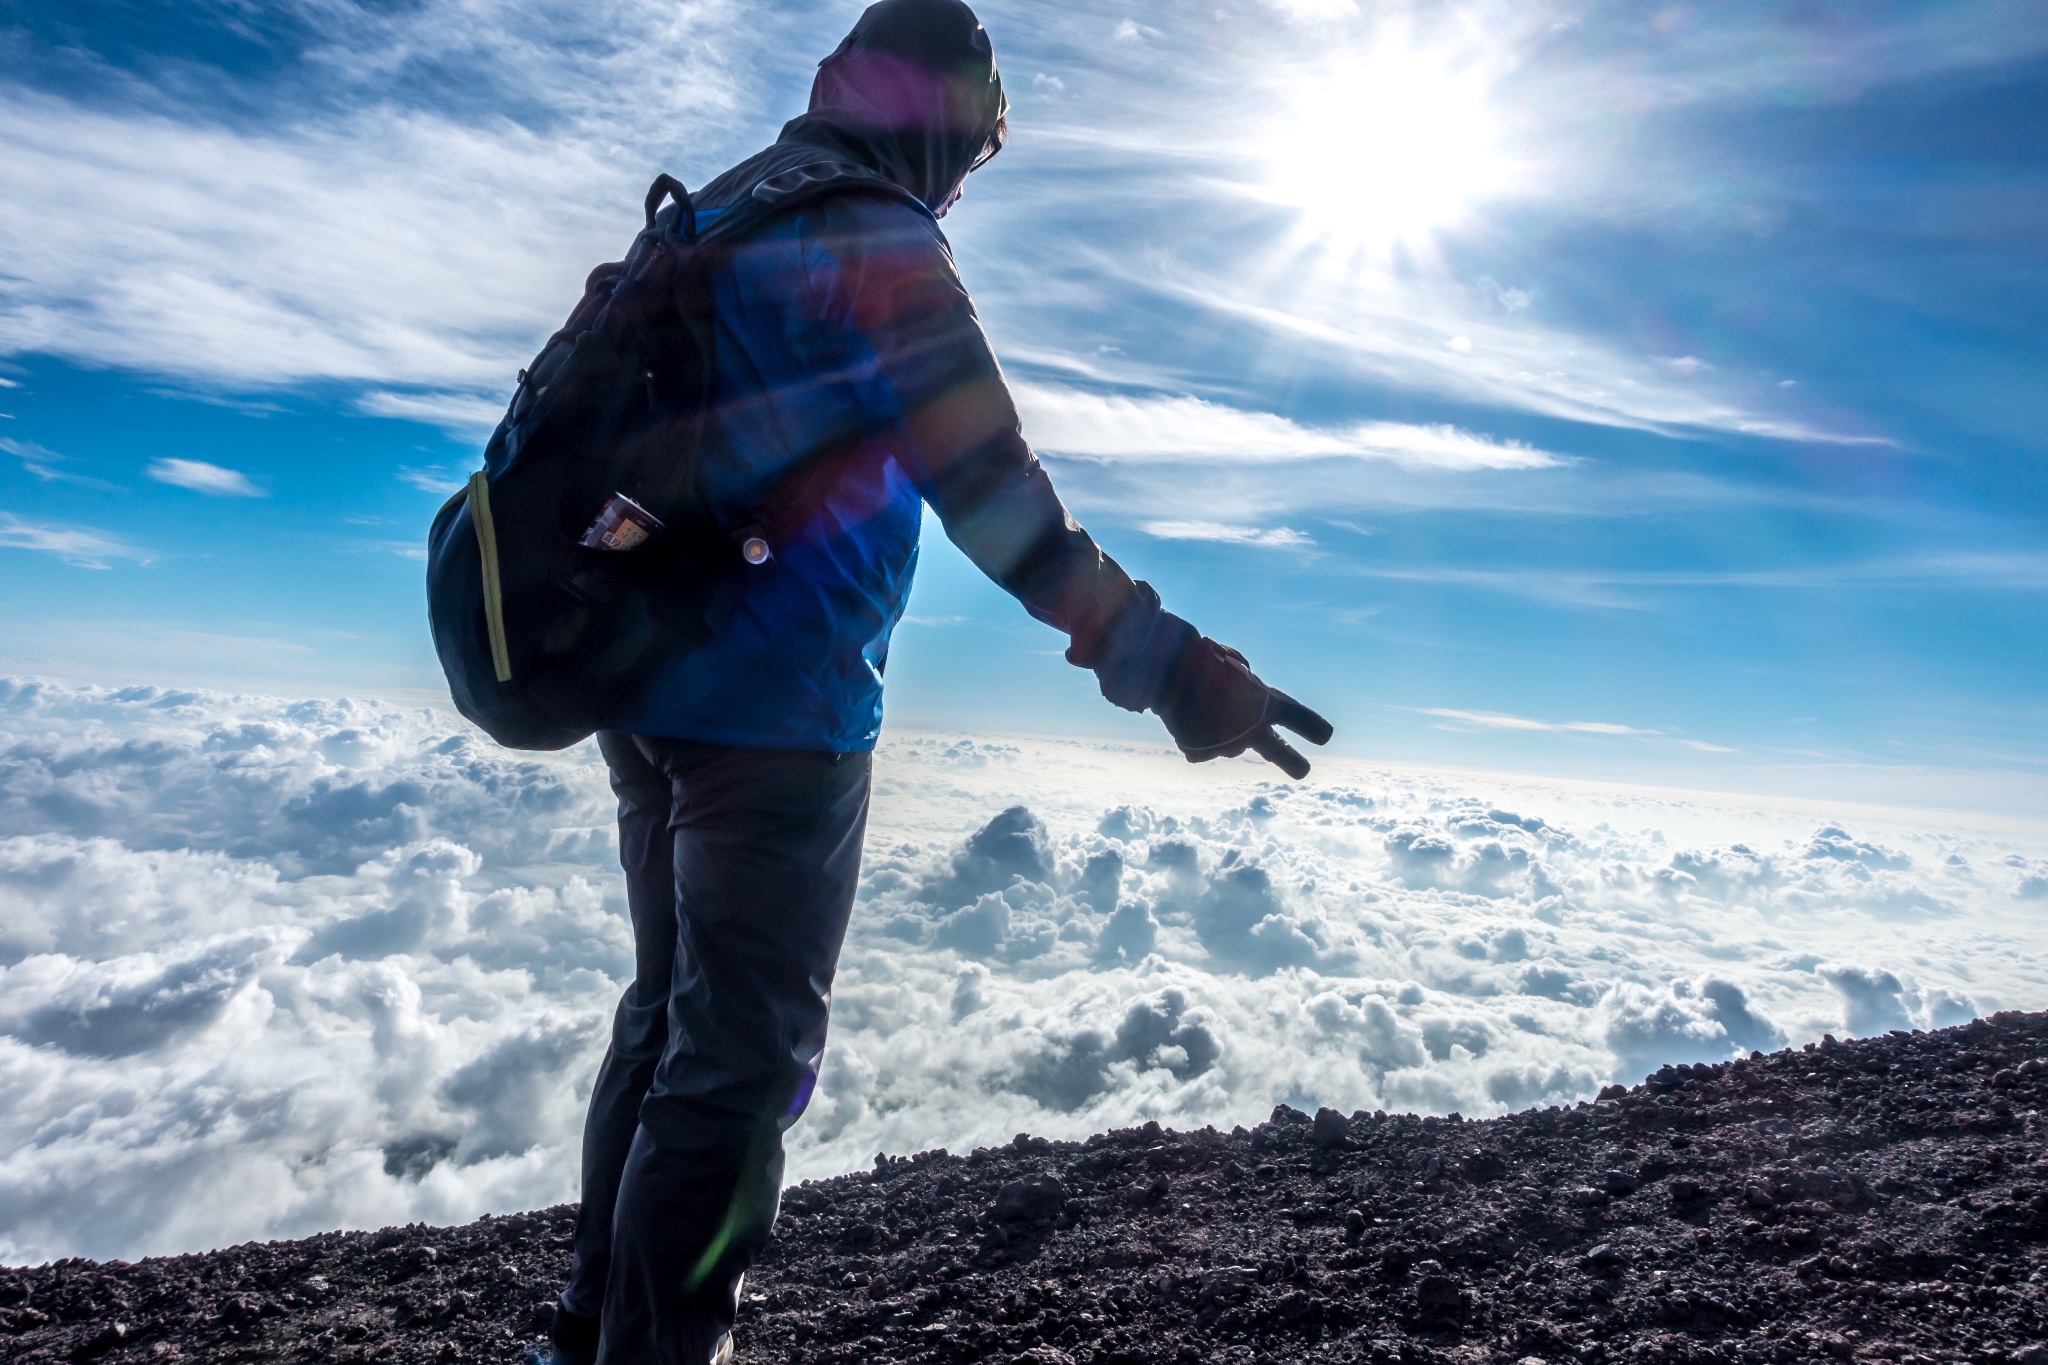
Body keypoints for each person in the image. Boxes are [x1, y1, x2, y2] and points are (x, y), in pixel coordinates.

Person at [541, 2, 1331, 1361]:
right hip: (775, 717)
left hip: (641, 690)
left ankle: (584, 1332)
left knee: (666, 1014)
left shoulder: (724, 204)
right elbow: (994, 494)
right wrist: (1171, 668)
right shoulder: (879, 240)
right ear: (936, 117)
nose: (966, 183)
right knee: (735, 1066)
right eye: (971, 149)